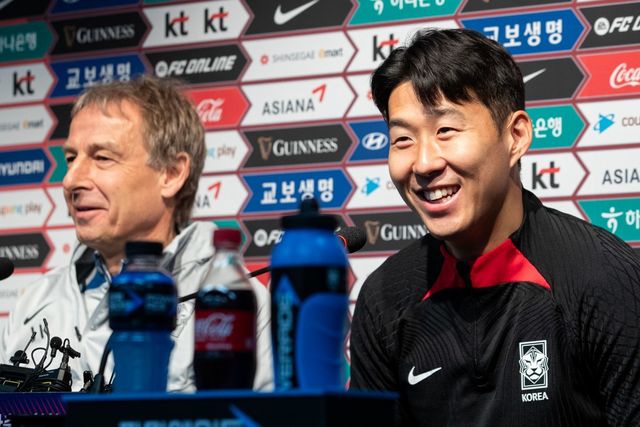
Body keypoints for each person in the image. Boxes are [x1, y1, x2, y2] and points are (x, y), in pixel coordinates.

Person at [349, 28, 640, 425]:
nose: (424, 163)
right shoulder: (385, 297)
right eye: (402, 140)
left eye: (445, 131)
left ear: (515, 136)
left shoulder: (603, 276)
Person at [0, 75, 273, 392]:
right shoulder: (35, 300)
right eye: (71, 158)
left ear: (171, 173)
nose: (71, 179)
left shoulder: (236, 305)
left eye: (102, 157)